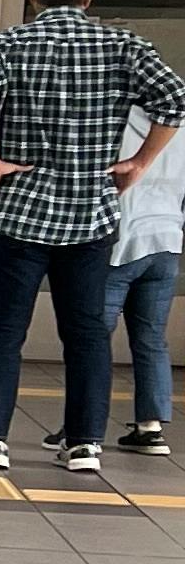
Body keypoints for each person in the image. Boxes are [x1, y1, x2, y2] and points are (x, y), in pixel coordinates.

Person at [0, 0, 185, 476]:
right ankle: (83, 445)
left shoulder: (6, 44)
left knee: (3, 332)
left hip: (18, 212)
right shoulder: (124, 46)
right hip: (90, 215)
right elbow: (175, 99)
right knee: (85, 333)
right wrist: (139, 164)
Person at [111, 119, 185, 457]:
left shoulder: (116, 123)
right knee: (151, 337)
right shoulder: (179, 129)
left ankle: (81, 425)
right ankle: (150, 427)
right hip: (167, 242)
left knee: (90, 338)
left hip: (120, 247)